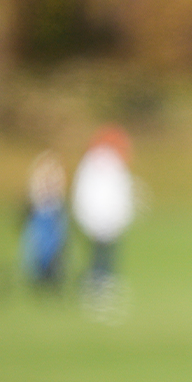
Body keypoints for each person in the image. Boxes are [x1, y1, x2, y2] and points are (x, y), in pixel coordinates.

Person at [71, 125, 136, 317]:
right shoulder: (95, 163)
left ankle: (104, 283)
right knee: (98, 253)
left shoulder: (112, 163)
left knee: (107, 253)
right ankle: (96, 287)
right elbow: (87, 193)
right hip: (98, 216)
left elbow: (121, 193)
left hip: (109, 217)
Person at [19, 151, 69, 292]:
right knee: (38, 246)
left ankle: (52, 277)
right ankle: (36, 276)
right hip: (40, 213)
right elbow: (35, 193)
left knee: (55, 247)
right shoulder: (39, 174)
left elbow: (59, 192)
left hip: (54, 213)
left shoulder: (56, 174)